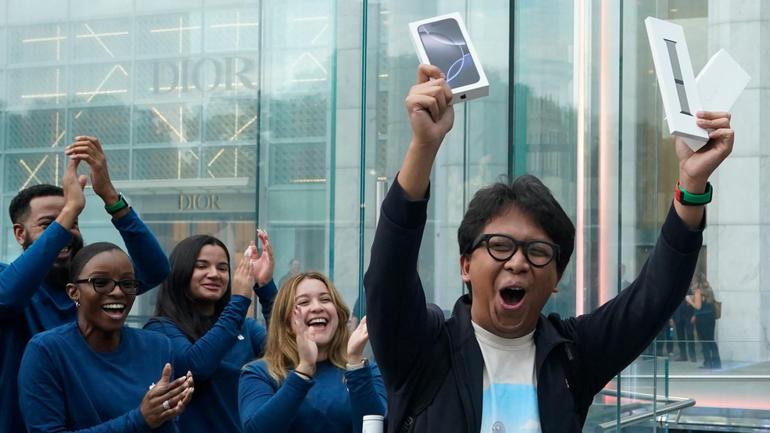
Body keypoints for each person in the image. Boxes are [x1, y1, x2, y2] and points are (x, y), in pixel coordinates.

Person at [363, 64, 734, 433]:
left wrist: (692, 182)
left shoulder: (573, 356)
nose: (519, 263)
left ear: (556, 277)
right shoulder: (422, 349)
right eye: (499, 246)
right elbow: (387, 277)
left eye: (538, 251)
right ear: (465, 265)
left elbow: (654, 295)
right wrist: (424, 147)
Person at [0, 137, 170, 433]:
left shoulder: (95, 287)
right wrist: (68, 212)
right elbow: (6, 298)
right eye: (49, 224)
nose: (67, 232)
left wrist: (110, 197)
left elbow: (155, 270)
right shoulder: (9, 281)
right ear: (19, 233)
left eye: (75, 222)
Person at [18, 242, 193, 433]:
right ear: (73, 292)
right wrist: (140, 419)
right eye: (100, 283)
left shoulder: (157, 346)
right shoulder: (47, 351)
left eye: (127, 284)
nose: (118, 292)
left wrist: (167, 411)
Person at [144, 231, 277, 433]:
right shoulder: (161, 329)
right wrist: (239, 301)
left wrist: (266, 288)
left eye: (223, 268)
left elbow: (286, 354)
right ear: (181, 271)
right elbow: (196, 367)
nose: (214, 274)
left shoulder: (246, 327)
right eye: (201, 266)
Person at [239, 271, 387, 433]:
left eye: (325, 299)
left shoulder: (366, 371)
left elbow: (378, 428)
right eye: (303, 302)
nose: (317, 307)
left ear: (338, 315)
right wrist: (304, 370)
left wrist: (356, 365)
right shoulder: (259, 373)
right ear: (286, 322)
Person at [687, 276, 721, 369]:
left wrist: (690, 301)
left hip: (702, 319)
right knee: (711, 341)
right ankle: (717, 362)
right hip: (710, 318)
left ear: (697, 283)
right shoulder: (709, 291)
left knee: (704, 341)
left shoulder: (698, 292)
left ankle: (708, 362)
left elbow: (698, 306)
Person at [674, 289, 697, 362]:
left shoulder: (690, 290)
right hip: (678, 316)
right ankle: (683, 355)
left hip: (688, 316)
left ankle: (692, 355)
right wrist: (672, 318)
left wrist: (695, 315)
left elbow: (695, 302)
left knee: (690, 335)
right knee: (680, 337)